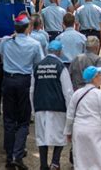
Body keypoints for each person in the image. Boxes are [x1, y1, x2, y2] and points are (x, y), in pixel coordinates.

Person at [0, 14, 44, 169]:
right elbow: (38, 63)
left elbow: (0, 55)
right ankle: (17, 155)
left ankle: (9, 155)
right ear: (27, 28)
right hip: (24, 81)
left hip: (8, 80)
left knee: (9, 119)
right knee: (23, 120)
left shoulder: (6, 41)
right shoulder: (34, 44)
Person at [30, 40, 74, 170]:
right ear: (60, 52)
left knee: (41, 136)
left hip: (40, 105)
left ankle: (43, 164)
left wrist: (33, 108)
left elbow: (32, 89)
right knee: (60, 135)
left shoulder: (37, 66)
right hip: (57, 106)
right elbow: (68, 91)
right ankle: (55, 162)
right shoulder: (60, 66)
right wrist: (70, 111)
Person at [64, 66, 101, 170]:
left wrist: (68, 131)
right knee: (97, 159)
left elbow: (70, 115)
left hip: (79, 129)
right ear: (94, 78)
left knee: (80, 159)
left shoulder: (77, 93)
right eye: (100, 75)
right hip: (95, 129)